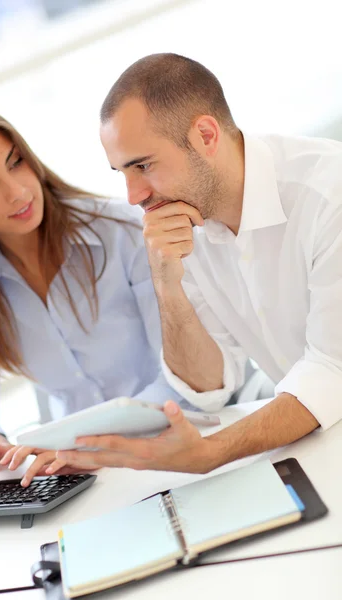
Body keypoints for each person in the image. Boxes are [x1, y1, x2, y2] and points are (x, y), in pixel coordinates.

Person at [52, 52, 342, 474]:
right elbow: (209, 386)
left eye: (143, 165)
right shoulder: (183, 220)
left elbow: (333, 370)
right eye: (121, 172)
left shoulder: (328, 195)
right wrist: (166, 285)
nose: (133, 195)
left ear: (206, 136)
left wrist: (211, 453)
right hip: (321, 444)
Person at [0, 100, 181, 493]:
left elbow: (179, 376)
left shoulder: (121, 232)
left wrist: (89, 444)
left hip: (169, 444)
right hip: (77, 475)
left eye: (16, 162)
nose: (18, 192)